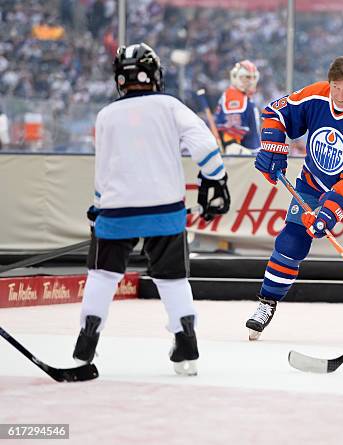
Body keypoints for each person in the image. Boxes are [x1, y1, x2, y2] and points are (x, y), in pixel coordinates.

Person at [72, 43, 230, 376]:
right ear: (155, 75)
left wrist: (98, 207)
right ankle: (187, 345)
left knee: (102, 275)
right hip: (165, 209)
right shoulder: (170, 105)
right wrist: (214, 179)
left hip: (116, 211)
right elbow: (204, 145)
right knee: (172, 279)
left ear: (120, 78)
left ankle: (85, 345)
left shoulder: (105, 115)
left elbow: (103, 170)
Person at [246, 56, 343, 345]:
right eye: (336, 87)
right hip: (316, 178)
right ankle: (266, 302)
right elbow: (275, 113)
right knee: (291, 239)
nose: (340, 95)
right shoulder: (316, 94)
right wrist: (272, 146)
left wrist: (329, 210)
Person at [214, 60, 261, 154]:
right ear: (236, 77)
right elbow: (230, 136)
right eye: (247, 77)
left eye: (253, 77)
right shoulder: (235, 97)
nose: (251, 81)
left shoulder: (241, 96)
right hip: (243, 157)